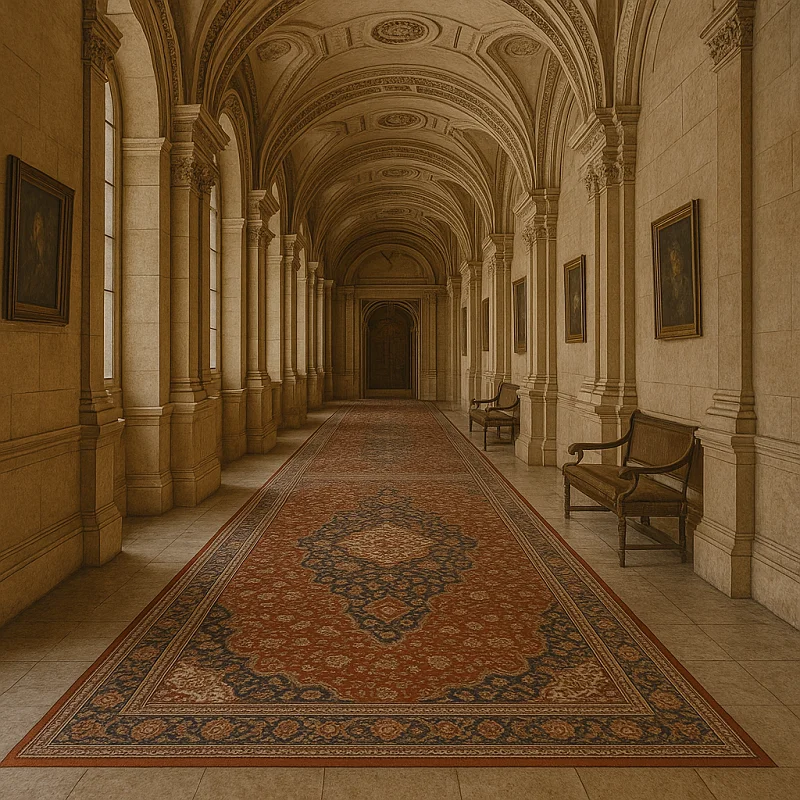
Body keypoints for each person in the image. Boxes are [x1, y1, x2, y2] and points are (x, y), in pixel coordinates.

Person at [18, 209, 57, 308]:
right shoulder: (29, 240)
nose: (37, 223)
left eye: (39, 221)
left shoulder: (45, 242)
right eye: (35, 220)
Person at [661, 235, 694, 327]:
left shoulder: (687, 282)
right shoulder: (666, 285)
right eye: (675, 261)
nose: (678, 263)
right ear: (670, 264)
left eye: (679, 259)